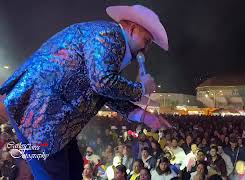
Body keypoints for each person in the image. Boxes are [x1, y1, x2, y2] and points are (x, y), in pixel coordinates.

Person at [0, 4, 170, 180]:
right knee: (56, 174)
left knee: (74, 167)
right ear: (133, 29)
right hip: (41, 117)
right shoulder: (110, 37)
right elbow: (102, 82)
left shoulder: (111, 43)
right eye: (146, 41)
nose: (146, 49)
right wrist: (141, 89)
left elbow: (105, 92)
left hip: (49, 119)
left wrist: (144, 116)